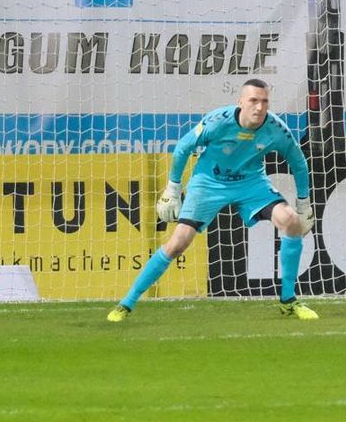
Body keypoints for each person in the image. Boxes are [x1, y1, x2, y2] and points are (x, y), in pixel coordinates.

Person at [108, 78, 318, 322]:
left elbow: (299, 163)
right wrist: (173, 189)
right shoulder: (219, 122)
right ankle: (126, 303)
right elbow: (184, 147)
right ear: (240, 102)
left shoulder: (276, 128)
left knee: (290, 221)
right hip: (208, 182)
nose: (259, 108)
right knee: (178, 243)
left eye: (264, 101)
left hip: (250, 183)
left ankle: (289, 300)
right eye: (253, 101)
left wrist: (303, 204)